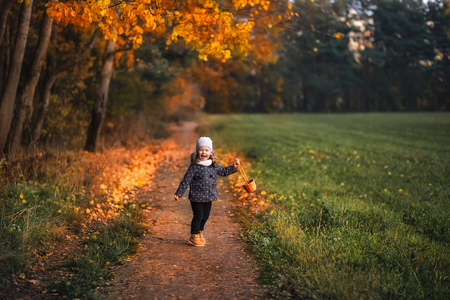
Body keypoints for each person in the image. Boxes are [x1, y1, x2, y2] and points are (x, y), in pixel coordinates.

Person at [174, 137, 239, 246]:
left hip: (209, 196)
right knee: (198, 215)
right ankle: (193, 236)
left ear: (211, 152)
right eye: (201, 150)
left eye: (207, 150)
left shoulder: (213, 165)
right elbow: (186, 180)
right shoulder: (194, 166)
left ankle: (200, 233)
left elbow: (223, 172)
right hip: (196, 197)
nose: (204, 152)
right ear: (197, 151)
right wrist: (179, 192)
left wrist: (234, 167)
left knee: (205, 216)